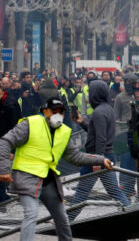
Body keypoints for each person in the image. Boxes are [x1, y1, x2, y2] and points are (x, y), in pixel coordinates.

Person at [0, 98, 114, 241]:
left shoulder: (64, 131)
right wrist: (4, 170)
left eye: (61, 112)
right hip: (26, 178)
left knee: (62, 219)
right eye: (54, 111)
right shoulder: (30, 123)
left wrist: (101, 160)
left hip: (48, 180)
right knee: (31, 214)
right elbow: (5, 142)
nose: (58, 115)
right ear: (45, 111)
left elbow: (75, 156)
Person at [68, 80, 130, 221]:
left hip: (95, 157)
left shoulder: (98, 112)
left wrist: (98, 159)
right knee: (113, 189)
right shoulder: (108, 109)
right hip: (106, 155)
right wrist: (81, 122)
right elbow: (94, 131)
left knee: (82, 191)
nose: (89, 94)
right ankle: (129, 211)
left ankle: (66, 220)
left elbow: (100, 137)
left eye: (90, 91)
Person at [0, 82, 21, 203]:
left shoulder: (10, 104)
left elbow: (15, 127)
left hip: (6, 143)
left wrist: (12, 149)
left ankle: (3, 199)